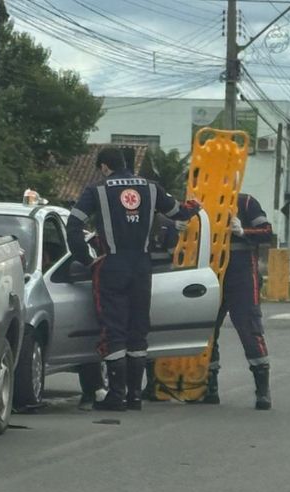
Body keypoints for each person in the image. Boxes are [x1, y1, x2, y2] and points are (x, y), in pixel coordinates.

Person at [65, 147, 194, 411]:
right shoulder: (151, 187)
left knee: (114, 329)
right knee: (138, 329)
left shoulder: (97, 190)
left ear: (103, 167)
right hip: (141, 266)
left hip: (112, 265)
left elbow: (74, 224)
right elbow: (179, 212)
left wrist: (86, 258)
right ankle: (135, 395)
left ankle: (116, 396)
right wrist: (195, 206)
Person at [202, 193, 273, 411]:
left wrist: (244, 231)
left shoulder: (245, 202)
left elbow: (267, 232)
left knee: (250, 330)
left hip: (241, 276)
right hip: (210, 275)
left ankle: (262, 389)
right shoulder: (201, 203)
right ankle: (209, 385)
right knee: (207, 332)